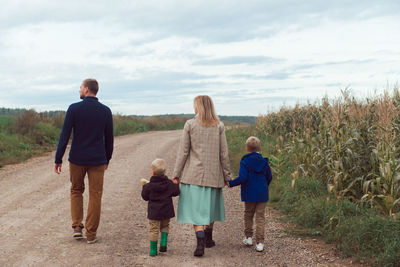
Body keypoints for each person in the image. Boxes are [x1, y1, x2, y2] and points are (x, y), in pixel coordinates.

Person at [54, 78, 114, 244]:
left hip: (77, 159)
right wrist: (107, 158)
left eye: (80, 87)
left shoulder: (74, 109)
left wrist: (58, 158)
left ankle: (77, 227)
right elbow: (109, 138)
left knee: (76, 190)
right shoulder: (105, 111)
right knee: (96, 195)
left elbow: (64, 135)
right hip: (97, 159)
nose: (79, 90)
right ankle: (91, 234)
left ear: (87, 89)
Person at [172, 95, 231, 257]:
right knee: (210, 208)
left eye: (194, 105)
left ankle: (200, 243)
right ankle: (208, 239)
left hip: (194, 176)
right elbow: (224, 154)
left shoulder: (190, 124)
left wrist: (176, 174)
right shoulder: (219, 125)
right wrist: (227, 175)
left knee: (197, 211)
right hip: (214, 175)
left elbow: (183, 152)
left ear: (198, 107)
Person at [228, 136, 273, 252]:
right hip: (262, 193)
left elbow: (243, 177)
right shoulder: (264, 162)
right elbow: (269, 177)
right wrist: (263, 187)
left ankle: (248, 237)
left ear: (247, 148)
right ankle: (260, 243)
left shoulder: (245, 161)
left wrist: (231, 183)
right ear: (260, 148)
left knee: (248, 215)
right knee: (260, 218)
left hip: (249, 193)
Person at [141, 158, 180, 256]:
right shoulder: (169, 184)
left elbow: (145, 197)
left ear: (152, 172)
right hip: (166, 211)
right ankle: (163, 244)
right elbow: (176, 193)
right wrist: (176, 184)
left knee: (154, 229)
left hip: (154, 213)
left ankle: (153, 250)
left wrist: (144, 187)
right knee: (165, 226)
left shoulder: (149, 186)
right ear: (164, 172)